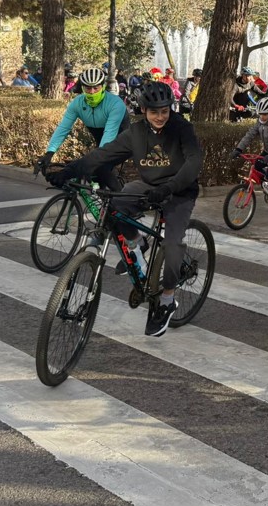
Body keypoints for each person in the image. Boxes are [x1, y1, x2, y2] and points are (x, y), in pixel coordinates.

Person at [44, 81, 202, 337]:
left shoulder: (182, 128)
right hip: (148, 185)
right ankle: (137, 242)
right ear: (144, 110)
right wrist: (68, 172)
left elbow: (194, 163)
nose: (160, 116)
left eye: (164, 110)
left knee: (172, 245)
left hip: (179, 192)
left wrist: (171, 187)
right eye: (154, 111)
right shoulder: (136, 133)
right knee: (114, 208)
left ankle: (167, 300)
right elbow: (103, 155)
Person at [35, 67, 131, 191]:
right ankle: (105, 204)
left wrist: (73, 169)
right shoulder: (78, 103)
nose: (91, 92)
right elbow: (63, 128)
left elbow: (108, 136)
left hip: (122, 142)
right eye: (88, 88)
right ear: (82, 87)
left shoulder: (115, 104)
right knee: (95, 178)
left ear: (102, 86)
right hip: (102, 142)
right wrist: (49, 153)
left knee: (101, 168)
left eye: (96, 88)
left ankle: (124, 203)